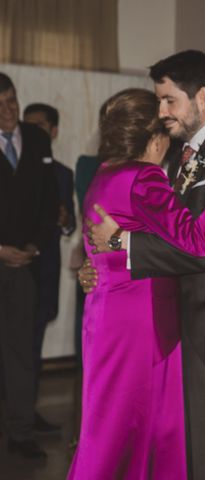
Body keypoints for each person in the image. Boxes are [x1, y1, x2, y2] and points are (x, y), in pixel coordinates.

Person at [81, 49, 205, 479]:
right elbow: (159, 222)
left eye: (168, 101)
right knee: (172, 452)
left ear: (201, 98)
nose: (161, 113)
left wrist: (123, 248)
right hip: (166, 328)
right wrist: (106, 266)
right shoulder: (172, 154)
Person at [0, 72, 57, 460]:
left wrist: (34, 246)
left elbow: (49, 201)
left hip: (24, 265)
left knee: (21, 353)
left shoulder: (37, 140)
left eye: (12, 100)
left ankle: (20, 432)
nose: (9, 111)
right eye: (0, 105)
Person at [23, 102, 76, 435]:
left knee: (33, 347)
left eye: (39, 126)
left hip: (44, 272)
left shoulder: (62, 173)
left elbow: (69, 223)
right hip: (13, 269)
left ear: (53, 131)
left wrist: (65, 220)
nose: (32, 132)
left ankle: (25, 412)